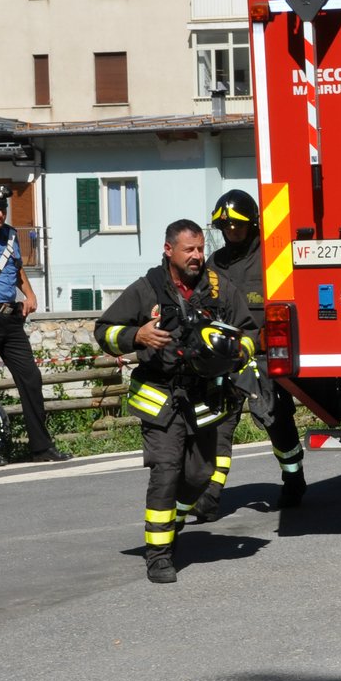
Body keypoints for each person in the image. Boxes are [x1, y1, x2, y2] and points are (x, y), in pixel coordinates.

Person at [94, 219, 255, 583]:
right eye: (189, 250)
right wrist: (138, 335)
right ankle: (159, 555)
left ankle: (176, 521)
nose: (198, 256)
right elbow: (104, 331)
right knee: (166, 472)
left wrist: (232, 349)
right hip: (161, 397)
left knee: (200, 474)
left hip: (205, 397)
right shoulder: (146, 289)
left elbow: (249, 334)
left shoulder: (219, 290)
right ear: (169, 250)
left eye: (200, 248)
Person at [191, 189, 307, 521]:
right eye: (225, 228)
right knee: (220, 427)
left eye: (237, 227)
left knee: (276, 421)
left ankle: (294, 478)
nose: (231, 233)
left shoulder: (272, 259)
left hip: (264, 358)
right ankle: (210, 497)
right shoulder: (215, 264)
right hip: (227, 360)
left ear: (253, 223)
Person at [0, 184, 70, 465]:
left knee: (31, 378)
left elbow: (16, 267)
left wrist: (29, 293)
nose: (0, 212)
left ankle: (41, 447)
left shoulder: (10, 236)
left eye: (3, 207)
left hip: (11, 317)